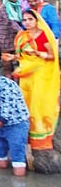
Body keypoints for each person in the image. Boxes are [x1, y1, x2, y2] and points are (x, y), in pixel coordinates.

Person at [12, 10, 59, 150]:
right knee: (25, 102)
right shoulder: (22, 36)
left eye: (30, 19)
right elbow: (21, 56)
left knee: (37, 104)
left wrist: (38, 53)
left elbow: (51, 56)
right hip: (25, 74)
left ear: (36, 20)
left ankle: (40, 137)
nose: (27, 22)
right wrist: (13, 58)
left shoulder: (42, 35)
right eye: (24, 20)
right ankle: (25, 134)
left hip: (40, 74)